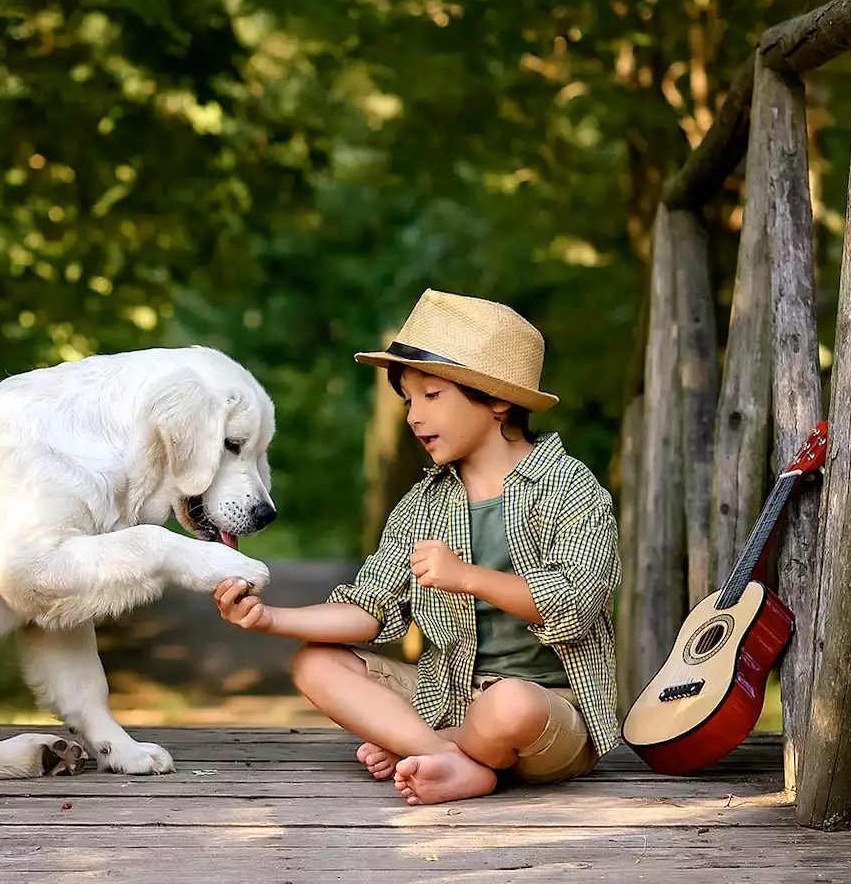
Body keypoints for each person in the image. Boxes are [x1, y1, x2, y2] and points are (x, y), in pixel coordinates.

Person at [213, 289, 622, 805]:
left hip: (547, 716)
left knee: (509, 704)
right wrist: (270, 618)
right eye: (409, 400)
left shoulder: (570, 487)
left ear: (497, 400)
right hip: (449, 697)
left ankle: (431, 747)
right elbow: (369, 609)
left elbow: (575, 605)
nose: (413, 416)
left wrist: (467, 576)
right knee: (315, 664)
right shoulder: (423, 504)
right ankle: (451, 758)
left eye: (431, 395)